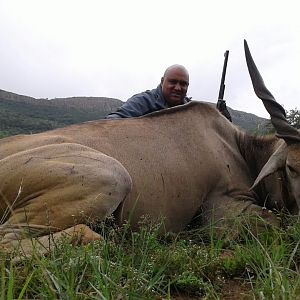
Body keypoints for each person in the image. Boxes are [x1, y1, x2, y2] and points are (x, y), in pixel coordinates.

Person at [106, 64, 190, 119]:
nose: (178, 88)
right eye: (173, 82)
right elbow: (111, 121)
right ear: (162, 81)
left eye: (183, 84)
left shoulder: (191, 109)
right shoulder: (143, 101)